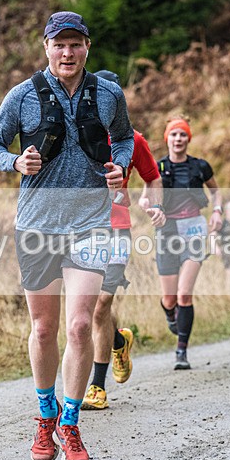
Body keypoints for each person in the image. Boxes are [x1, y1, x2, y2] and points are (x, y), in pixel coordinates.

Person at [0, 12, 134, 460]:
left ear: (87, 46)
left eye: (75, 44)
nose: (67, 53)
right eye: (59, 45)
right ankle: (44, 417)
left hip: (90, 223)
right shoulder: (23, 95)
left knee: (80, 326)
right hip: (36, 227)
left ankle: (70, 425)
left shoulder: (108, 94)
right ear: (46, 47)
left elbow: (124, 139)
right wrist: (14, 163)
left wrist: (118, 167)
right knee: (45, 329)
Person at [80, 69, 165, 411]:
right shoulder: (78, 136)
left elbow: (153, 178)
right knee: (89, 310)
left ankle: (97, 388)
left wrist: (152, 204)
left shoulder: (133, 139)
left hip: (117, 230)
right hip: (83, 230)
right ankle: (119, 340)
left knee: (101, 306)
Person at [154, 116, 222, 370]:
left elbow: (216, 191)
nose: (178, 139)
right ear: (167, 139)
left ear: (188, 138)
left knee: (184, 293)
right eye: (174, 135)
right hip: (167, 230)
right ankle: (170, 314)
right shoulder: (157, 167)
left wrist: (217, 211)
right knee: (169, 298)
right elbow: (147, 198)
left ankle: (181, 351)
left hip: (194, 227)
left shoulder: (200, 166)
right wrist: (151, 209)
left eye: (182, 135)